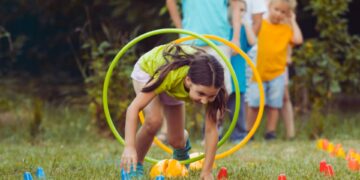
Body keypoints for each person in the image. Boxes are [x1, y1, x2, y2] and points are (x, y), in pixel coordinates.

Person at [121, 43, 227, 179]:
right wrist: (129, 147)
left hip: (174, 85)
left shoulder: (213, 86)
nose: (205, 101)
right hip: (149, 71)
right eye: (200, 93)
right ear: (188, 81)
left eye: (210, 96)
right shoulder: (172, 75)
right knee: (154, 120)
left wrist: (206, 171)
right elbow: (133, 108)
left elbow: (211, 129)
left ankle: (182, 147)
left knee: (176, 141)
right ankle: (135, 165)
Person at [246, 0, 303, 140]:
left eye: (283, 12)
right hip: (258, 73)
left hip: (277, 73)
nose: (279, 14)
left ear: (288, 14)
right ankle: (248, 132)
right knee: (254, 104)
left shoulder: (286, 29)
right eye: (276, 9)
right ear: (269, 8)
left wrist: (292, 21)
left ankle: (270, 133)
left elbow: (298, 40)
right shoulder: (262, 25)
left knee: (274, 105)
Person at [227, 0, 256, 142]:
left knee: (237, 110)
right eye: (237, 9)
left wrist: (246, 24)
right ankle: (214, 133)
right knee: (217, 106)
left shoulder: (243, 31)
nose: (239, 12)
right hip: (224, 77)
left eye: (242, 10)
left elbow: (252, 42)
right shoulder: (224, 29)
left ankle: (238, 135)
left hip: (238, 77)